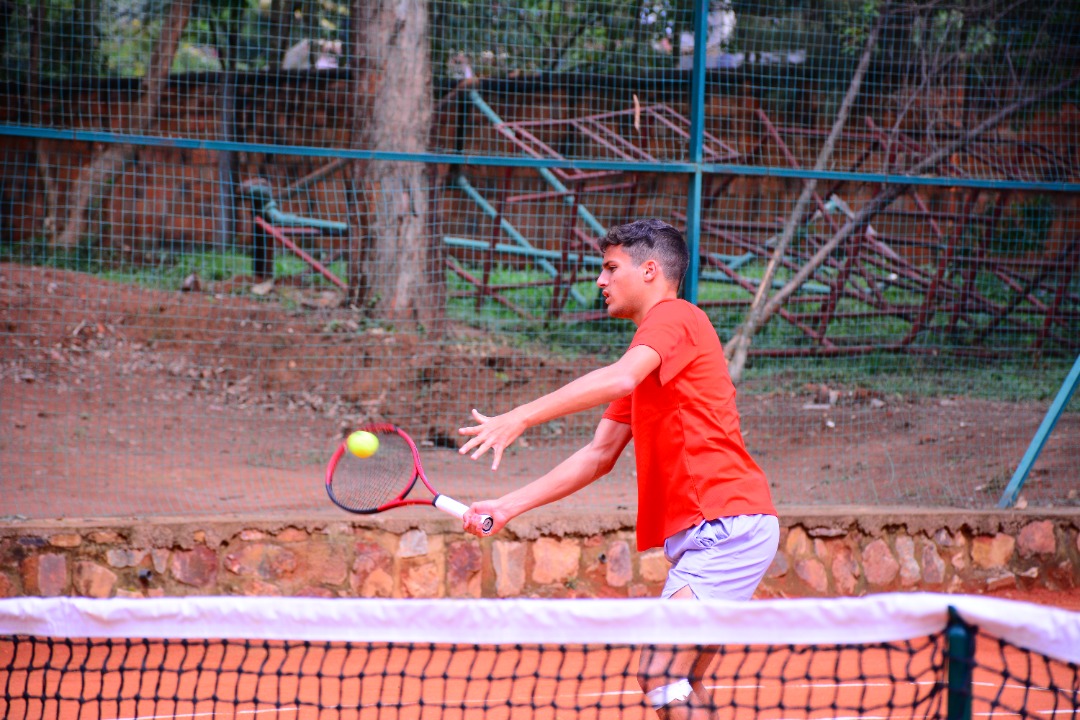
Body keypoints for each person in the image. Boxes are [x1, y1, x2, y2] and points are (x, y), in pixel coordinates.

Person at [458, 218, 779, 720]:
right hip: (724, 527)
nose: (600, 281)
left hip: (724, 524)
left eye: (611, 268)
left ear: (650, 271)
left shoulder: (675, 317)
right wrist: (507, 506)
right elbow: (598, 455)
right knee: (683, 679)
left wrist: (520, 415)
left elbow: (620, 376)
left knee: (658, 673)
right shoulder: (651, 359)